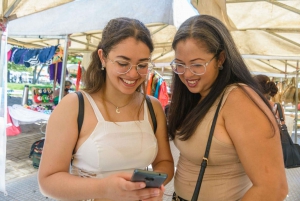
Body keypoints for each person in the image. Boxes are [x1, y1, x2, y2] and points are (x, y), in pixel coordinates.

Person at [38, 17, 174, 201]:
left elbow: (164, 162)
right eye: (123, 63)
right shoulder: (74, 106)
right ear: (103, 57)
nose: (133, 73)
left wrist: (148, 187)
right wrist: (103, 189)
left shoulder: (152, 107)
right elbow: (48, 181)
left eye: (142, 65)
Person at [167, 15, 287, 201]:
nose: (187, 74)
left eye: (197, 65)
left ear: (220, 58)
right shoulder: (195, 96)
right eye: (180, 65)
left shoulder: (238, 99)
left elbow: (273, 187)